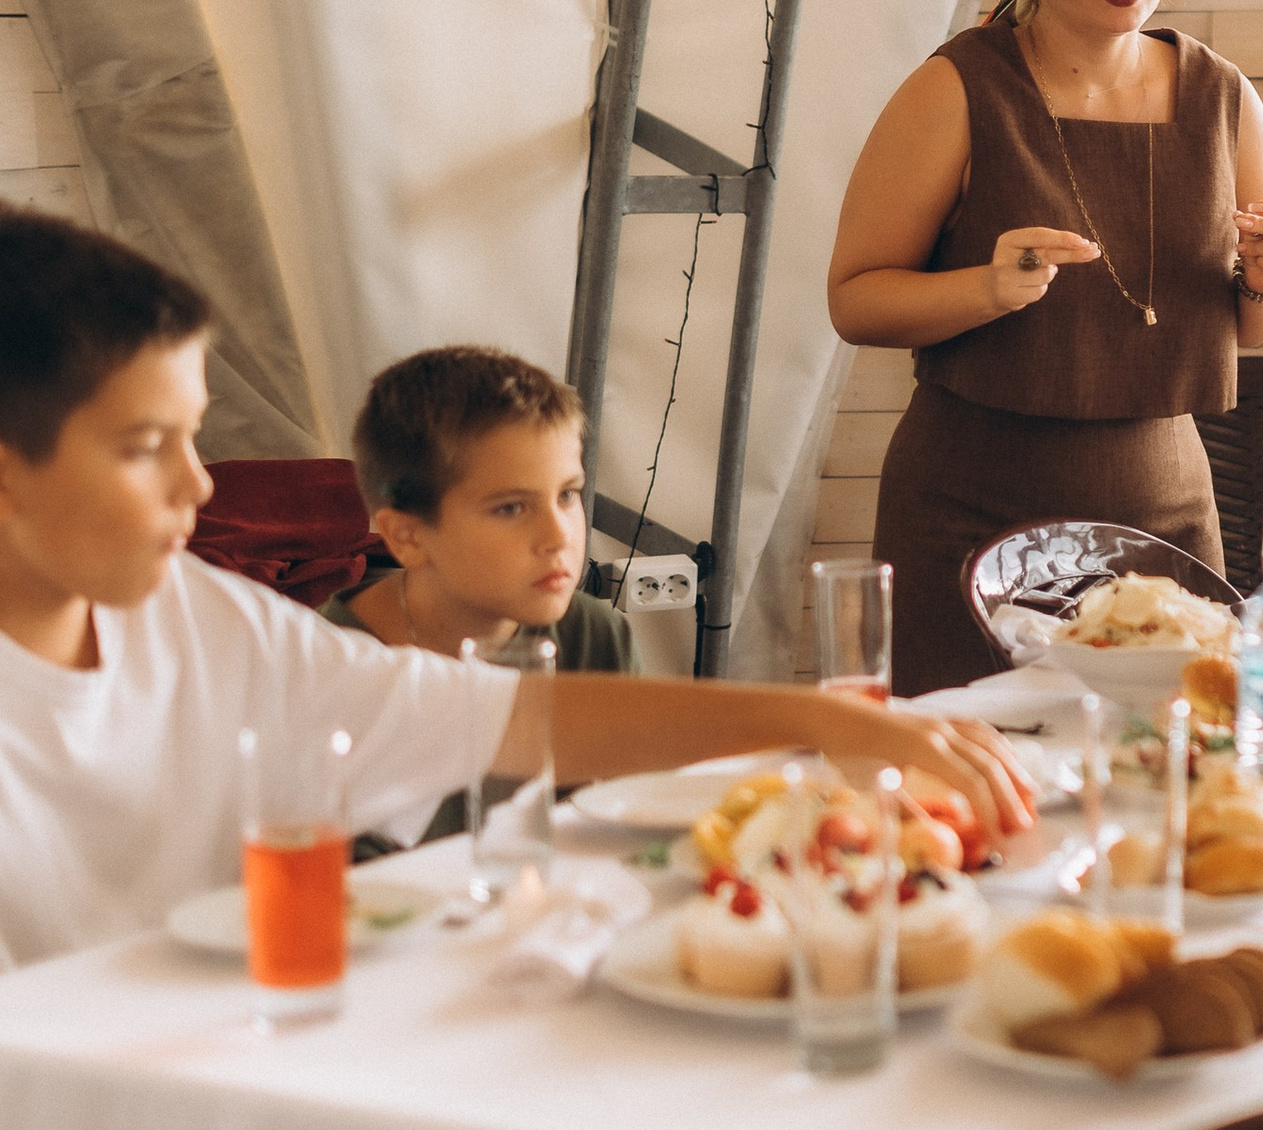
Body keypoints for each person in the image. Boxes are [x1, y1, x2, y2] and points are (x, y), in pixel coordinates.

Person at [0, 209, 1029, 970]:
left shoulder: (206, 623)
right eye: (145, 447)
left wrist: (819, 718)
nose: (201, 483)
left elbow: (516, 712)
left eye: (194, 434)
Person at [826, 0, 1263, 693]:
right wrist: (987, 288)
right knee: (979, 808)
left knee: (1170, 789)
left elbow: (1259, 325)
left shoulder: (1225, 98)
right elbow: (854, 299)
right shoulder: (955, 90)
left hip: (1165, 521)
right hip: (967, 523)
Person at [322, 343, 636, 845]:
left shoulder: (595, 635)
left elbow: (624, 832)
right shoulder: (334, 667)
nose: (560, 536)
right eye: (511, 508)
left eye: (568, 494)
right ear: (407, 537)